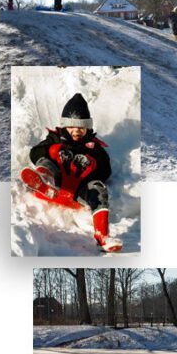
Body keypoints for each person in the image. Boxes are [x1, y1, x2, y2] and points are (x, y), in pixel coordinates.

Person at [27, 93, 120, 251]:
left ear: (88, 128)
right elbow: (35, 153)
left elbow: (105, 170)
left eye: (81, 127)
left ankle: (102, 235)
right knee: (46, 160)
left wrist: (93, 164)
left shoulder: (94, 147)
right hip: (55, 184)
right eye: (72, 126)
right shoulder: (55, 138)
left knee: (98, 187)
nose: (76, 131)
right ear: (64, 126)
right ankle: (43, 182)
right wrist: (52, 150)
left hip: (79, 192)